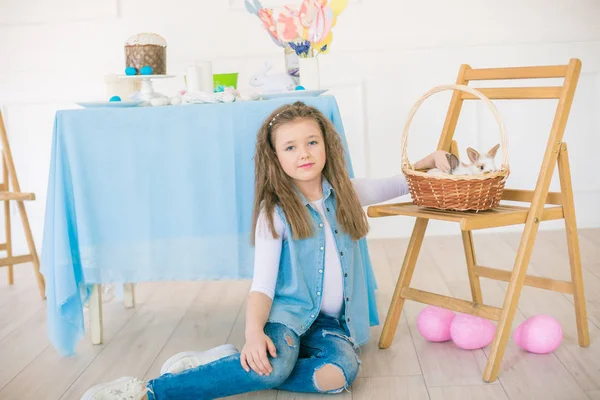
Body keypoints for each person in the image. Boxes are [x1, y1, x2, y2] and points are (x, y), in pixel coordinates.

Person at [81, 101, 450, 400]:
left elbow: (395, 184)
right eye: (290, 147)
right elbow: (261, 285)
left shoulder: (347, 193)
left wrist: (429, 162)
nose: (303, 153)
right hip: (287, 317)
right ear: (275, 157)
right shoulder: (274, 213)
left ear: (326, 145)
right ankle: (147, 392)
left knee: (336, 377)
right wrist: (254, 333)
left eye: (311, 142)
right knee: (274, 363)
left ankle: (226, 364)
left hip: (332, 328)